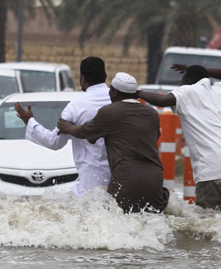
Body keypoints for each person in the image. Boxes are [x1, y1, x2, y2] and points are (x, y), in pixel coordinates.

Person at [138, 64, 221, 211]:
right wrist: (201, 71)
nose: (181, 83)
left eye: (183, 79)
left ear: (189, 79)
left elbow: (161, 101)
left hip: (213, 168)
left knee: (208, 221)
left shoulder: (187, 91)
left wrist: (137, 93)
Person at [58, 72, 169, 213]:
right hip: (155, 181)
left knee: (119, 224)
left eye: (110, 90)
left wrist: (66, 127)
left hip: (127, 180)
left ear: (115, 92)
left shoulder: (110, 112)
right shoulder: (151, 113)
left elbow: (86, 134)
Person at [13, 56, 111, 198]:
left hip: (90, 184)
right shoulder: (118, 102)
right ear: (105, 76)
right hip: (122, 181)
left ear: (82, 79)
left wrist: (30, 121)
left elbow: (54, 142)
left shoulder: (75, 107)